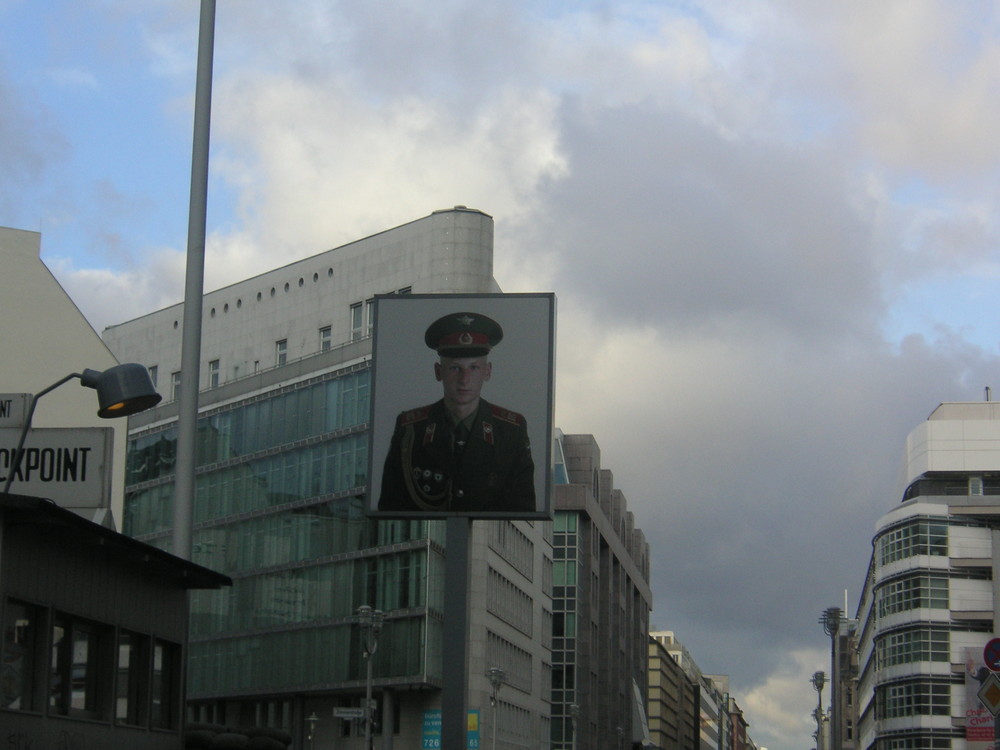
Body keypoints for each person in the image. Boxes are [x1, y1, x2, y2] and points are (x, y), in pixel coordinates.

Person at [378, 311, 536, 513]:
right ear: (438, 371)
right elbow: (390, 505)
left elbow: (523, 507)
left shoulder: (511, 430)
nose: (464, 379)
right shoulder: (410, 429)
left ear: (487, 371)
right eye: (454, 368)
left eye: (474, 368)